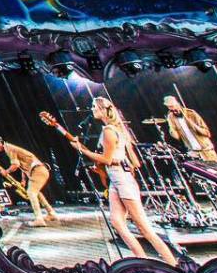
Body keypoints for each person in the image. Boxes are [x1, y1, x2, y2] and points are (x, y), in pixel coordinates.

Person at [62, 97, 175, 261]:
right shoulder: (115, 129)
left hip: (122, 179)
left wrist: (83, 150)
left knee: (143, 227)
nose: (92, 109)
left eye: (94, 106)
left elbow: (107, 159)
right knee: (117, 222)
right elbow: (124, 160)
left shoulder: (109, 130)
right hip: (116, 179)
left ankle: (172, 264)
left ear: (103, 110)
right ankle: (142, 260)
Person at [0, 135, 57, 225]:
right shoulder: (10, 148)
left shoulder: (9, 148)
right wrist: (23, 180)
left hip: (38, 171)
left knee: (31, 193)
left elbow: (15, 165)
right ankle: (51, 213)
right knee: (37, 193)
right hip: (38, 171)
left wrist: (6, 172)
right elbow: (22, 166)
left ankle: (39, 219)